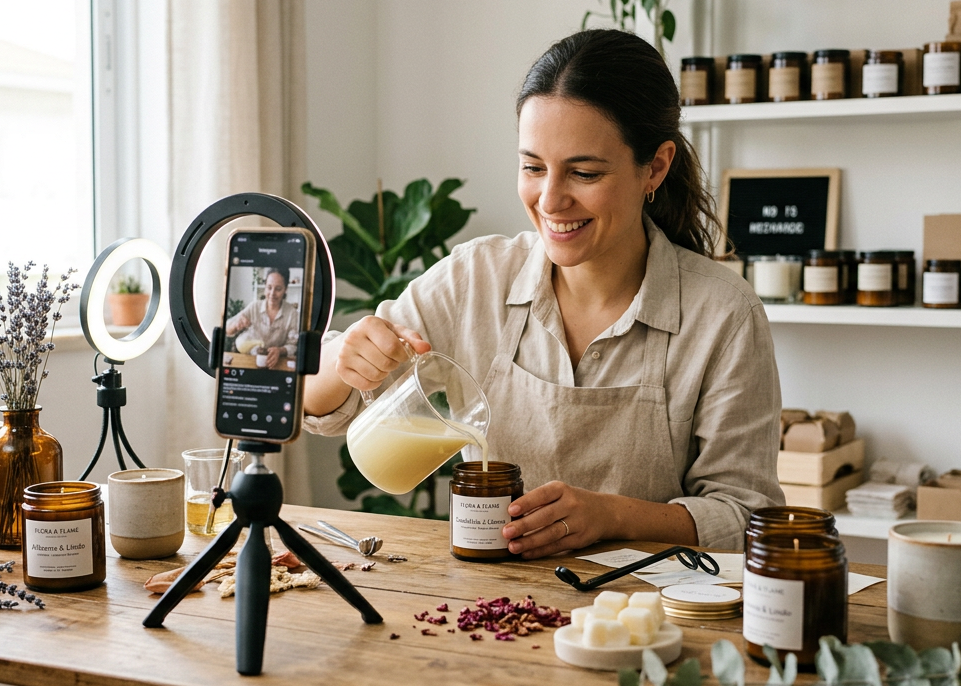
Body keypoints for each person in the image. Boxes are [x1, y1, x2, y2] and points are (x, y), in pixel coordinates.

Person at [304, 29, 784, 556]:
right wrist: (345, 355)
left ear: (656, 167)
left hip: (641, 619)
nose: (551, 200)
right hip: (491, 606)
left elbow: (746, 515)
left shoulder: (723, 314)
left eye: (583, 172)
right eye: (533, 167)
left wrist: (612, 516)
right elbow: (323, 402)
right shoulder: (475, 278)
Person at [226, 267, 298, 369]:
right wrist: (236, 325)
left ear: (285, 289)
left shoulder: (292, 313)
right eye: (269, 287)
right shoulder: (254, 307)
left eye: (278, 289)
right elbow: (227, 329)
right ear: (265, 288)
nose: (272, 293)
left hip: (276, 364)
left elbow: (293, 346)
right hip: (251, 361)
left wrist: (280, 350)